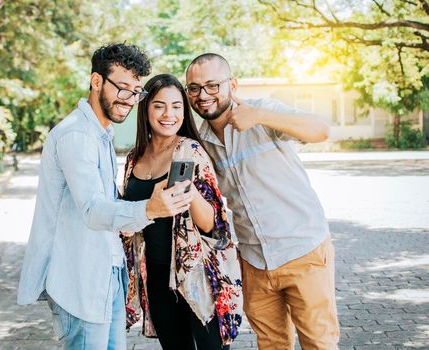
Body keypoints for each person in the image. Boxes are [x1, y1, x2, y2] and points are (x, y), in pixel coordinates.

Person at [17, 44, 194, 350]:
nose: (129, 100)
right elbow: (92, 209)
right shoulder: (77, 136)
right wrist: (149, 209)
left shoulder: (101, 134)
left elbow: (105, 205)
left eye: (135, 91)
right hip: (80, 279)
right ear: (96, 81)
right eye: (122, 88)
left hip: (105, 275)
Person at [185, 53, 340, 350]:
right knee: (271, 345)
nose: (203, 95)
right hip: (255, 261)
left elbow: (321, 130)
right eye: (194, 88)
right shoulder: (201, 141)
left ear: (232, 84)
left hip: (303, 250)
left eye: (212, 85)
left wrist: (259, 116)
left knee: (320, 344)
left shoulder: (263, 111)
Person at [121, 73, 243, 350]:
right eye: (159, 105)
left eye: (177, 106)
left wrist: (190, 194)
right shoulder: (133, 158)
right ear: (146, 109)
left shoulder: (190, 151)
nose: (169, 114)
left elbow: (213, 224)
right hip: (155, 275)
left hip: (195, 276)